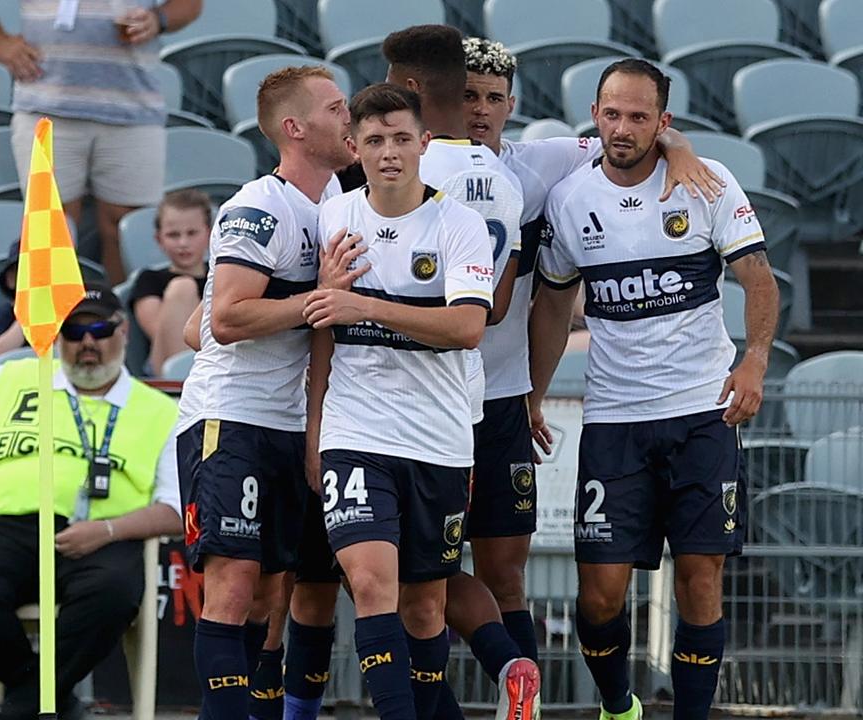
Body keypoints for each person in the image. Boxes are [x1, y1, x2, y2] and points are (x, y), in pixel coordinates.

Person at [529, 59, 778, 720]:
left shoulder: (705, 182)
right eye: (612, 113)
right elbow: (553, 305)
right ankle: (620, 707)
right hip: (616, 420)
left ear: (662, 122)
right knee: (599, 596)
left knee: (702, 579)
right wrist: (534, 392)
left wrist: (754, 361)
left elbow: (757, 277)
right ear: (595, 114)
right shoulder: (571, 199)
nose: (623, 127)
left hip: (702, 415)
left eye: (640, 117)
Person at [305, 82, 499, 720]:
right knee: (368, 583)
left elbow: (467, 327)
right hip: (356, 433)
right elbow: (324, 335)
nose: (389, 152)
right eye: (375, 140)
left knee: (425, 609)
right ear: (355, 149)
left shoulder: (459, 226)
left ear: (423, 144)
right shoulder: (334, 217)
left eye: (400, 139)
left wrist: (362, 303)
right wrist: (315, 431)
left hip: (439, 440)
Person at [176, 64, 360, 720]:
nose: (351, 119)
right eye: (337, 109)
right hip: (231, 417)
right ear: (295, 128)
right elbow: (224, 320)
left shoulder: (339, 200)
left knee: (269, 599)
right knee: (232, 588)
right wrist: (321, 298)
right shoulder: (262, 204)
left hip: (290, 424)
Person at [381, 25, 544, 720]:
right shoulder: (505, 181)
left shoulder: (396, 172)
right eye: (471, 93)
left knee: (417, 578)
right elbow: (498, 303)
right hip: (478, 393)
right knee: (454, 574)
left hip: (412, 404)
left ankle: (442, 702)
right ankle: (514, 672)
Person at [0, 280, 183, 720]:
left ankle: (22, 707)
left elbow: (175, 509)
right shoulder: (13, 378)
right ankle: (48, 703)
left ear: (123, 332)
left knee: (113, 594)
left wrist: (107, 531)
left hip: (101, 538)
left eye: (101, 329)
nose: (88, 342)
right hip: (1, 525)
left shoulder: (160, 410)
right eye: (73, 331)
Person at [0, 0, 202, 284]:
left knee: (125, 229)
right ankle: (55, 325)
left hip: (133, 108)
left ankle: (118, 322)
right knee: (53, 228)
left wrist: (158, 19)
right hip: (46, 104)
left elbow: (191, 5)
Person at [129, 188, 210, 374]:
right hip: (165, 367)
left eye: (192, 233)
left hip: (216, 359)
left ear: (209, 234)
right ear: (159, 239)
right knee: (183, 287)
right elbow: (160, 331)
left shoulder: (221, 275)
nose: (183, 243)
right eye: (173, 235)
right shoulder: (149, 279)